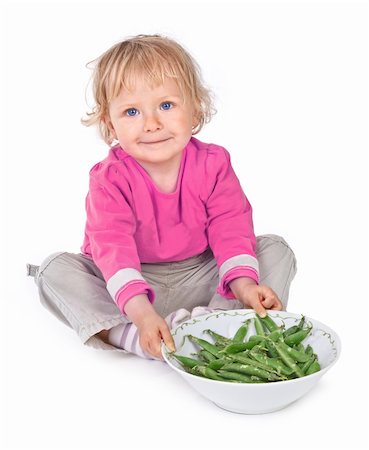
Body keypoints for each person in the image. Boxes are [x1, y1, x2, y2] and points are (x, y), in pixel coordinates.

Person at [26, 34, 297, 361]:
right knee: (55, 269)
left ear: (195, 109)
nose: (152, 124)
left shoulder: (213, 164)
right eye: (131, 112)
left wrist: (244, 286)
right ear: (109, 124)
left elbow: (231, 227)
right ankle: (131, 336)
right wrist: (141, 314)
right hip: (131, 285)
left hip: (200, 274)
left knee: (275, 249)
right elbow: (112, 248)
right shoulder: (110, 178)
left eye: (166, 105)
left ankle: (218, 323)